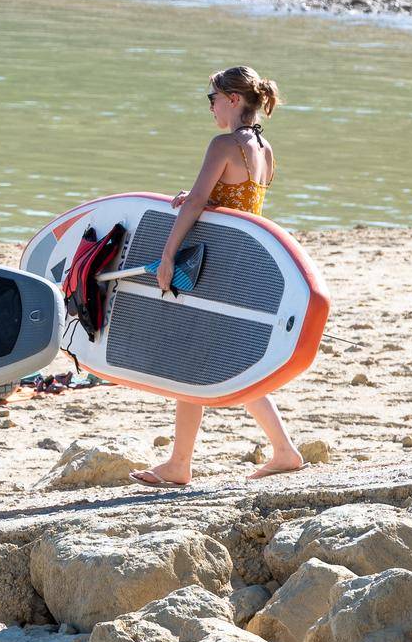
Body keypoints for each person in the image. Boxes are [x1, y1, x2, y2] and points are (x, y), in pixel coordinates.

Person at [129, 66, 307, 488]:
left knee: (195, 358)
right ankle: (277, 451)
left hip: (214, 264)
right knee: (206, 357)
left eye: (211, 98)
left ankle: (183, 464)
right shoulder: (263, 148)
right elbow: (232, 204)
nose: (209, 107)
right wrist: (198, 199)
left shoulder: (224, 144)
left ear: (231, 99)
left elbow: (195, 207)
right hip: (243, 263)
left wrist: (168, 254)